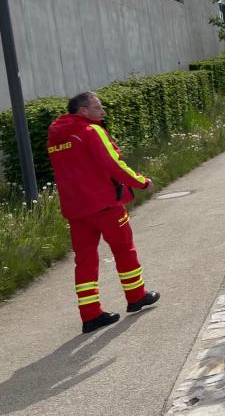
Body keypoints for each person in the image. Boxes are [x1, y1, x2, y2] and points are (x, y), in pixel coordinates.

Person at [47, 92, 160, 333]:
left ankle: (90, 315)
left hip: (76, 210)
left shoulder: (54, 138)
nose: (103, 112)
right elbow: (113, 163)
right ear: (83, 111)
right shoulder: (91, 131)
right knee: (124, 249)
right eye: (98, 107)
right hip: (104, 204)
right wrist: (142, 182)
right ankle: (136, 296)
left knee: (85, 261)